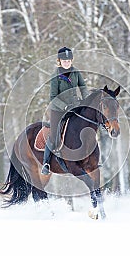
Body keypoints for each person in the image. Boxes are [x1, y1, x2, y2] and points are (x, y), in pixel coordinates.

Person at [41, 47, 89, 175]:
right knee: (54, 134)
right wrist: (64, 107)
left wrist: (87, 101)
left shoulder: (76, 72)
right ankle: (46, 162)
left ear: (71, 60)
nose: (66, 63)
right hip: (58, 110)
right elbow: (52, 97)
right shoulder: (55, 76)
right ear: (59, 61)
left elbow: (83, 87)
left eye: (68, 61)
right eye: (64, 61)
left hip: (74, 106)